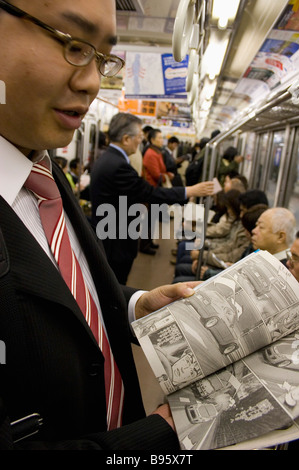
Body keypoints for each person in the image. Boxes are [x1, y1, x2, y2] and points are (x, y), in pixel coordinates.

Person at [0, 0, 203, 450]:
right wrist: (162, 435)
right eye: (72, 44)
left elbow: (68, 298)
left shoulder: (43, 172)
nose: (92, 81)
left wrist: (136, 305)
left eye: (101, 56)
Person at [90, 112, 214, 284]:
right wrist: (189, 191)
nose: (142, 140)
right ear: (126, 139)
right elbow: (150, 192)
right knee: (115, 287)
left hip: (108, 236)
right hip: (115, 242)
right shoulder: (118, 166)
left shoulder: (107, 159)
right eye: (139, 136)